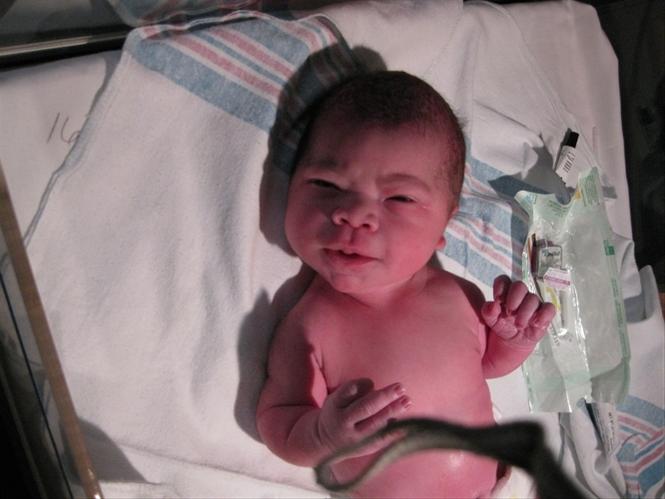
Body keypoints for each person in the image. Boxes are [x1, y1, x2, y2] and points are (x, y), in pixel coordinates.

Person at [256, 71, 555, 498]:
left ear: (444, 225)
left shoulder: (457, 296)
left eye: (398, 198)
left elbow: (487, 364)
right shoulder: (310, 327)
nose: (354, 215)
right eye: (326, 184)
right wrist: (322, 436)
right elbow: (278, 420)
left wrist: (513, 341)